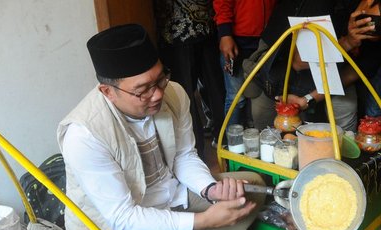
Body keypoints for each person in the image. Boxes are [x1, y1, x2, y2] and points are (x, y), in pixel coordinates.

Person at [57, 24, 286, 230]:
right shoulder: (84, 133)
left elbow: (184, 155)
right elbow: (124, 218)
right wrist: (203, 221)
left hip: (173, 196)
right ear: (107, 92)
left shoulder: (174, 93)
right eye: (142, 90)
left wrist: (209, 189)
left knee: (250, 188)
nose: (156, 95)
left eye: (160, 79)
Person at [247, 0, 377, 132]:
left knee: (343, 119)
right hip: (278, 67)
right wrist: (346, 43)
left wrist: (308, 99)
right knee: (264, 129)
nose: (372, 27)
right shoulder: (317, 8)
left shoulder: (371, 42)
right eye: (371, 21)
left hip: (331, 79)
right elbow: (299, 62)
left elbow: (354, 71)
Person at [153, 0, 226, 160]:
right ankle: (224, 142)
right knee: (214, 88)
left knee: (184, 94)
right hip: (204, 25)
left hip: (178, 31)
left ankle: (196, 152)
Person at [213, 0, 278, 138]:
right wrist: (225, 34)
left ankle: (255, 142)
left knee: (260, 95)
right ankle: (231, 143)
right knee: (237, 98)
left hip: (267, 40)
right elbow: (222, 3)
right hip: (237, 40)